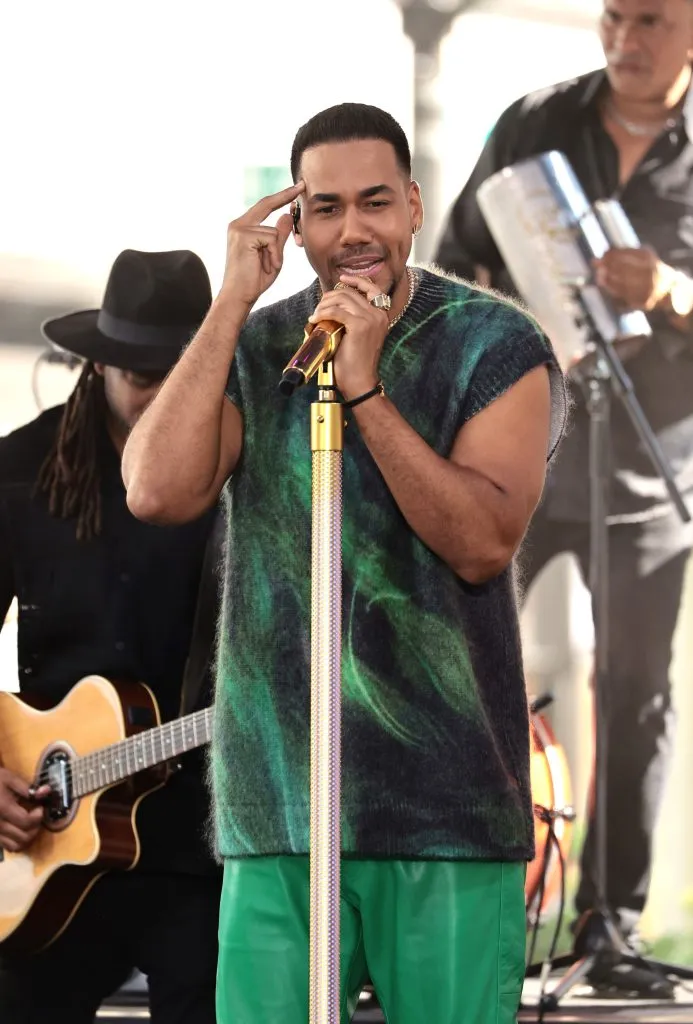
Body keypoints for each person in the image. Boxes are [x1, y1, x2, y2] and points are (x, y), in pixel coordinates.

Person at [122, 103, 567, 1024]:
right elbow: (156, 491)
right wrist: (231, 303)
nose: (353, 230)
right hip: (280, 806)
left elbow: (481, 543)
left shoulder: (494, 344)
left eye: (375, 202)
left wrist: (364, 389)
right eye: (325, 208)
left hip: (443, 810)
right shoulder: (260, 344)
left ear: (413, 207)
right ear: (296, 225)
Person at [435, 0, 693, 1001]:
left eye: (653, 21)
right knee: (456, 671)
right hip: (515, 455)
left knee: (637, 697)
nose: (626, 39)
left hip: (654, 473)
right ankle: (450, 905)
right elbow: (452, 260)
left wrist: (670, 290)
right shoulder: (536, 120)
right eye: (614, 16)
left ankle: (608, 930)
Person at [0, 249, 222, 1024]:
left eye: (182, 372)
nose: (162, 394)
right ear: (98, 365)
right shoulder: (21, 468)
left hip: (201, 846)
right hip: (48, 843)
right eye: (141, 375)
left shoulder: (244, 472)